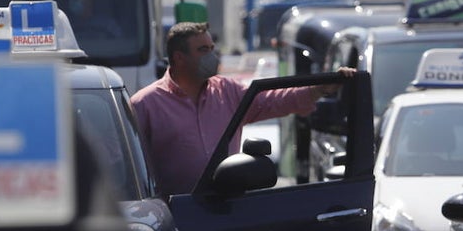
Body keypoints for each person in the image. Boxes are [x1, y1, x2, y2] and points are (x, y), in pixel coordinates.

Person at [131, 21, 355, 196]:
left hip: (227, 208)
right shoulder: (146, 104)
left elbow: (273, 100)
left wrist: (320, 89)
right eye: (203, 50)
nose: (212, 56)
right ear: (179, 58)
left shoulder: (227, 91)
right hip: (175, 215)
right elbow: (129, 167)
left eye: (212, 48)